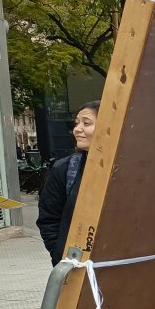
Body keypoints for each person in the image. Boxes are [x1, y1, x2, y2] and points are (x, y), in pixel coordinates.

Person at [37, 101, 99, 265]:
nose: (77, 129)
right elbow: (48, 218)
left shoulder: (129, 169)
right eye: (77, 123)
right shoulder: (64, 169)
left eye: (86, 123)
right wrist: (60, 256)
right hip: (76, 265)